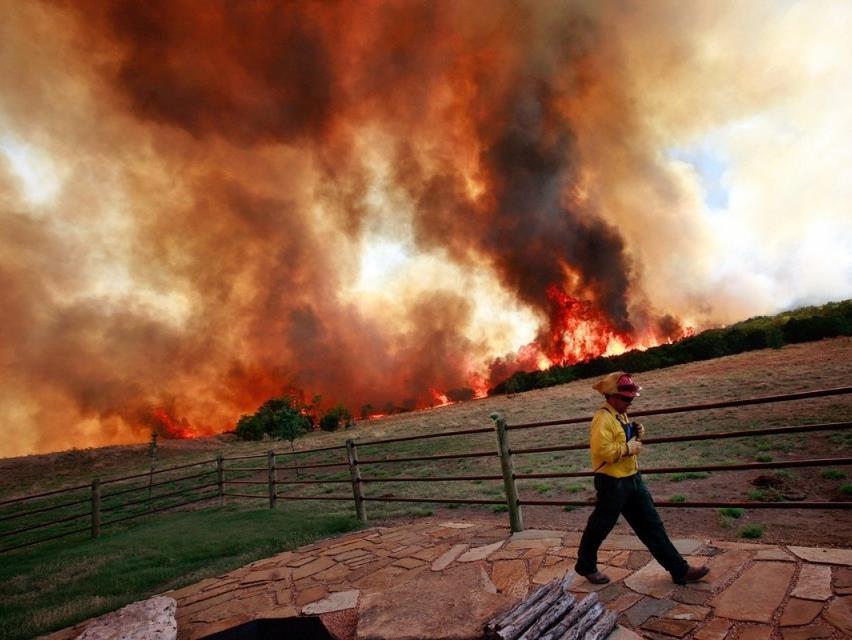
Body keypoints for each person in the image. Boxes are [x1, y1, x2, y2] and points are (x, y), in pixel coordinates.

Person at [574, 371, 710, 585]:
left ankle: (680, 570)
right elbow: (604, 451)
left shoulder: (620, 415)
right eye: (626, 398)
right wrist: (628, 448)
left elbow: (620, 440)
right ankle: (586, 565)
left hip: (631, 479)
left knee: (652, 525)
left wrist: (635, 433)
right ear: (612, 396)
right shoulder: (602, 418)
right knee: (600, 527)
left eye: (631, 399)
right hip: (612, 483)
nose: (629, 403)